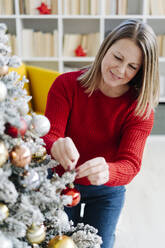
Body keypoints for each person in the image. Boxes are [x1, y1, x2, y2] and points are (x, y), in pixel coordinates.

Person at [43, 19, 159, 248]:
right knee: (56, 241)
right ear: (105, 48)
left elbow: (130, 164)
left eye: (132, 66)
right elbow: (49, 135)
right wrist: (54, 145)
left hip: (106, 192)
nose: (120, 70)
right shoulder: (65, 85)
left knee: (101, 244)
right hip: (61, 182)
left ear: (141, 71)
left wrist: (109, 171)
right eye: (117, 57)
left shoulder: (141, 109)